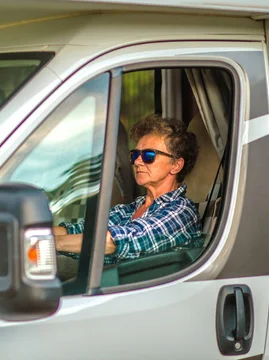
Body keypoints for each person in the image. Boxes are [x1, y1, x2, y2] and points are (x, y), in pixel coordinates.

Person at [54, 114, 203, 271]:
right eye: (135, 155)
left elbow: (117, 241)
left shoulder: (181, 213)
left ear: (176, 165)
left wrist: (46, 245)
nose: (138, 162)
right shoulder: (128, 210)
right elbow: (81, 230)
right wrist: (34, 235)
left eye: (148, 155)